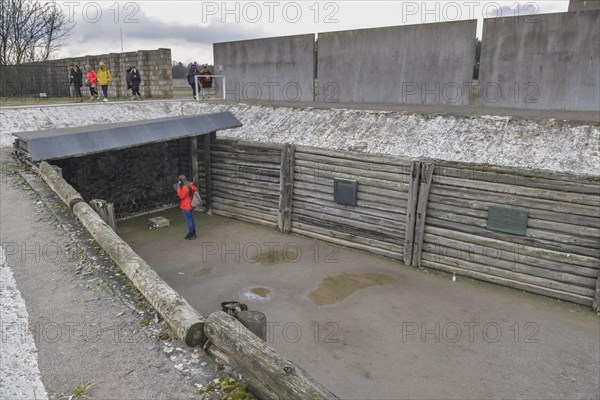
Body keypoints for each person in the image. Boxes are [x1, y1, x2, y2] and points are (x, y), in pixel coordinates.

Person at [175, 175, 198, 240]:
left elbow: (181, 196)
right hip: (191, 204)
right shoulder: (190, 185)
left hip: (186, 206)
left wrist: (178, 189)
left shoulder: (184, 188)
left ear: (180, 181)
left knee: (189, 220)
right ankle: (193, 232)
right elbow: (195, 189)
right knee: (192, 219)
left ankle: (191, 235)